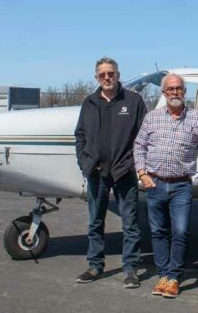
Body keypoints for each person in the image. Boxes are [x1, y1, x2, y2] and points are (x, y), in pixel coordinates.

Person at [134, 73, 198, 299]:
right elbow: (139, 145)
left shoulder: (197, 119)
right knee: (158, 231)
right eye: (170, 89)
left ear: (184, 91)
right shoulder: (151, 118)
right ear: (163, 93)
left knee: (180, 231)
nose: (174, 92)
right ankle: (163, 275)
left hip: (181, 185)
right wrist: (142, 173)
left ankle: (173, 277)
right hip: (154, 183)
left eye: (178, 88)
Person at [74, 57, 147, 288]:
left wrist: (133, 164)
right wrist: (85, 163)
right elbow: (80, 136)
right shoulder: (89, 103)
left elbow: (144, 137)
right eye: (102, 74)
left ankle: (131, 269)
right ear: (97, 77)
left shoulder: (134, 101)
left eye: (111, 73)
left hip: (124, 172)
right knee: (95, 222)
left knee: (130, 224)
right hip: (97, 173)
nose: (107, 78)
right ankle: (95, 265)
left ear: (118, 75)